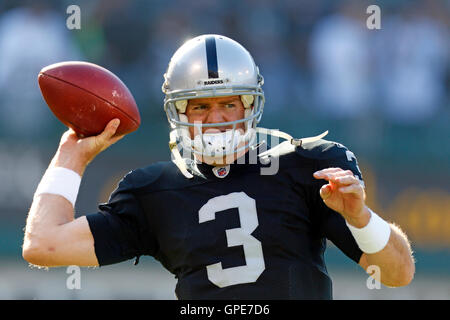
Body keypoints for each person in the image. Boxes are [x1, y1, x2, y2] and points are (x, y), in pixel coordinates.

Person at [23, 34, 414, 299]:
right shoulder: (154, 191)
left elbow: (398, 274)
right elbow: (42, 244)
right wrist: (72, 153)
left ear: (252, 105)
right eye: (201, 106)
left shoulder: (308, 167)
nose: (218, 118)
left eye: (230, 103)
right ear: (178, 112)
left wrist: (361, 218)